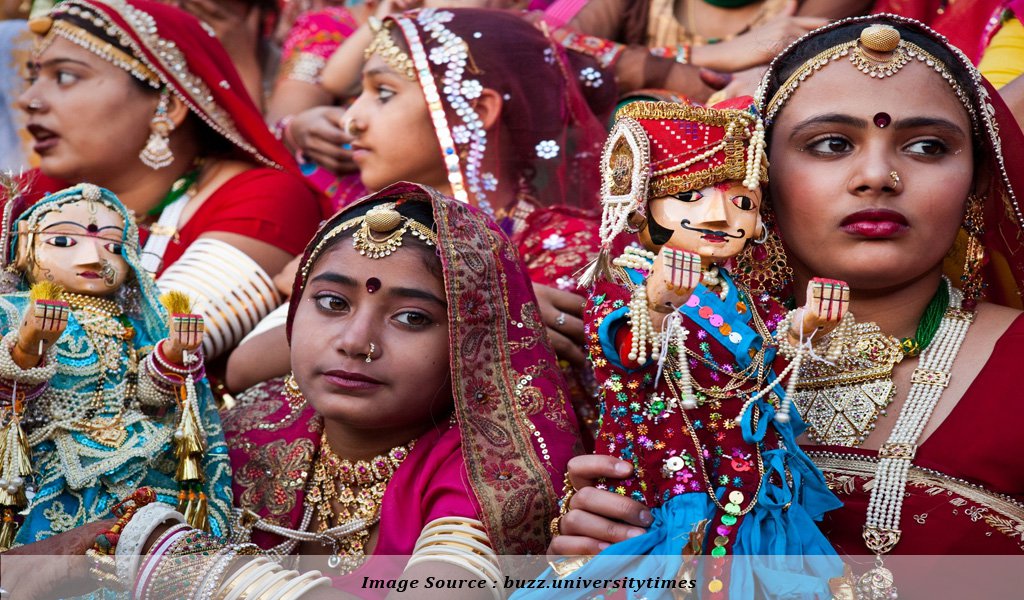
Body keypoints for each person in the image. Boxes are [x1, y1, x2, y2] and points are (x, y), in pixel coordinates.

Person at [548, 13, 1024, 597]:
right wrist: (591, 553)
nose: (877, 176)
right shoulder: (673, 351)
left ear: (976, 181)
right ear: (760, 175)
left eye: (928, 146)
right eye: (830, 144)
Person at [0, 182, 583, 600]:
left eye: (411, 318)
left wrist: (152, 552)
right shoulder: (256, 420)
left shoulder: (495, 463)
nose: (357, 341)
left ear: (475, 340)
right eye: (331, 303)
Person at [228, 8, 616, 433]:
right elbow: (242, 369)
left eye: (384, 93)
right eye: (360, 93)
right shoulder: (369, 221)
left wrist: (494, 304)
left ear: (475, 108)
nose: (351, 118)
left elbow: (547, 415)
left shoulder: (563, 246)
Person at [16, 0, 325, 359]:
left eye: (65, 76)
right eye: (32, 78)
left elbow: (152, 353)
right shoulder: (29, 194)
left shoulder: (264, 200)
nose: (29, 100)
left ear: (168, 106)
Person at [0, 182, 231, 550]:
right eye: (63, 242)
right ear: (26, 242)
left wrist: (171, 353)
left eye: (113, 246)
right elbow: (9, 397)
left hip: (142, 454)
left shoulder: (133, 323)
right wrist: (28, 344)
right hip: (55, 458)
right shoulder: (12, 309)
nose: (94, 258)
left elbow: (149, 396)